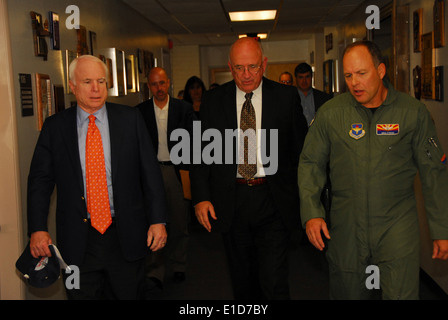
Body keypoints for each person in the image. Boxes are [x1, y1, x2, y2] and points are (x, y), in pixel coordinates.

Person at [298, 40, 448, 300]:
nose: (354, 82)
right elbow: (311, 163)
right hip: (347, 226)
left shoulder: (412, 114)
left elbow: (433, 173)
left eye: (361, 73)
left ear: (380, 71)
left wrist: (442, 230)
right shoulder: (331, 114)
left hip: (397, 224)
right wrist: (312, 212)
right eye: (348, 75)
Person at [27, 55, 167, 300]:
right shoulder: (55, 127)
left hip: (125, 235)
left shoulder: (130, 119)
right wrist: (37, 228)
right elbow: (40, 181)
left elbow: (150, 173)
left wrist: (158, 220)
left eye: (101, 81)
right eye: (87, 81)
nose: (95, 89)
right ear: (72, 85)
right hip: (78, 239)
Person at [190, 37, 308, 299]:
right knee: (243, 283)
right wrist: (201, 197)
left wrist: (306, 200)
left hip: (273, 198)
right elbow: (200, 154)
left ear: (264, 64)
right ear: (230, 67)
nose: (246, 75)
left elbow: (301, 152)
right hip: (232, 199)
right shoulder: (213, 100)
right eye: (239, 68)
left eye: (253, 67)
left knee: (275, 281)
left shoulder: (286, 98)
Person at [136, 67, 196, 288]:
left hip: (176, 172)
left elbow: (194, 143)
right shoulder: (140, 112)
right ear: (149, 86)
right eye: (154, 84)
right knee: (154, 221)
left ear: (168, 83)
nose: (159, 88)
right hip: (151, 173)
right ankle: (155, 270)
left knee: (180, 222)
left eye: (162, 83)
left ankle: (179, 265)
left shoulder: (184, 109)